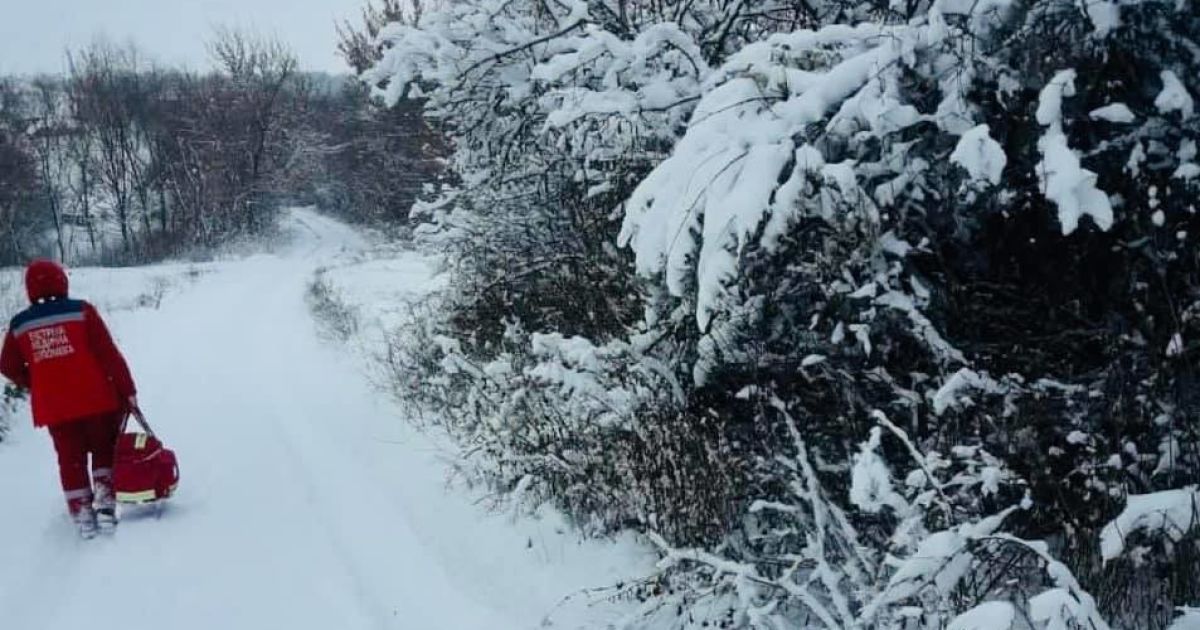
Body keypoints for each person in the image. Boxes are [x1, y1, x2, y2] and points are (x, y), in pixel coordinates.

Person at [0, 260, 138, 539]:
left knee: (69, 459)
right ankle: (106, 501)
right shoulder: (82, 311)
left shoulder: (20, 325)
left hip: (56, 408)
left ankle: (82, 512)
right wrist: (128, 389)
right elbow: (108, 355)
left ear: (30, 289)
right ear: (62, 282)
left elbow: (7, 365)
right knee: (103, 448)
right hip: (97, 398)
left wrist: (35, 381)